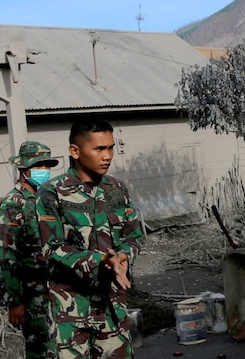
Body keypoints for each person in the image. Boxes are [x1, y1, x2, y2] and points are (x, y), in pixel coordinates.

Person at [36, 115, 143, 358]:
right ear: (75, 150)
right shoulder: (52, 192)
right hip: (71, 312)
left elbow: (134, 235)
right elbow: (51, 247)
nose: (107, 156)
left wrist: (125, 256)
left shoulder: (116, 189)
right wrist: (98, 261)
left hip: (112, 307)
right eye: (99, 149)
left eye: (111, 148)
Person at [0, 141, 60, 359]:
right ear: (24, 169)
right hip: (33, 296)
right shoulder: (12, 205)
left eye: (47, 165)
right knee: (41, 351)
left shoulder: (48, 201)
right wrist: (15, 301)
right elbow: (7, 255)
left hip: (57, 291)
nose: (44, 170)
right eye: (38, 165)